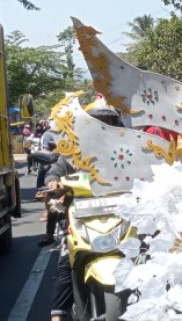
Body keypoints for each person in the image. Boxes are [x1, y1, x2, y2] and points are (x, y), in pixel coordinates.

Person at [44, 102, 124, 321]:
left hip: (119, 216)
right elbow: (55, 171)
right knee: (65, 263)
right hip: (80, 217)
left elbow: (145, 170)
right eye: (97, 122)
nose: (102, 127)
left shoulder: (126, 152)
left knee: (148, 253)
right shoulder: (74, 152)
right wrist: (53, 182)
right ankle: (57, 316)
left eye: (107, 123)